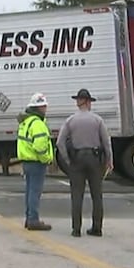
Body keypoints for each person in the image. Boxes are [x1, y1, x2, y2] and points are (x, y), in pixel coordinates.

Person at [56, 88, 114, 237]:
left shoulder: (70, 120)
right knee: (96, 195)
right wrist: (109, 160)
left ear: (78, 102)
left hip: (77, 159)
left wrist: (68, 159)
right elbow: (106, 142)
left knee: (77, 195)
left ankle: (76, 229)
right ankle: (97, 228)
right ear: (88, 102)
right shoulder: (97, 120)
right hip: (95, 159)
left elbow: (60, 142)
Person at [16, 92, 54, 231]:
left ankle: (29, 218)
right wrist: (46, 159)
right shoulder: (37, 123)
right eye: (44, 106)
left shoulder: (26, 121)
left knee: (30, 191)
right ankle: (33, 220)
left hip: (27, 161)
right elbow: (40, 146)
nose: (46, 108)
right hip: (36, 162)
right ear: (39, 107)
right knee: (35, 192)